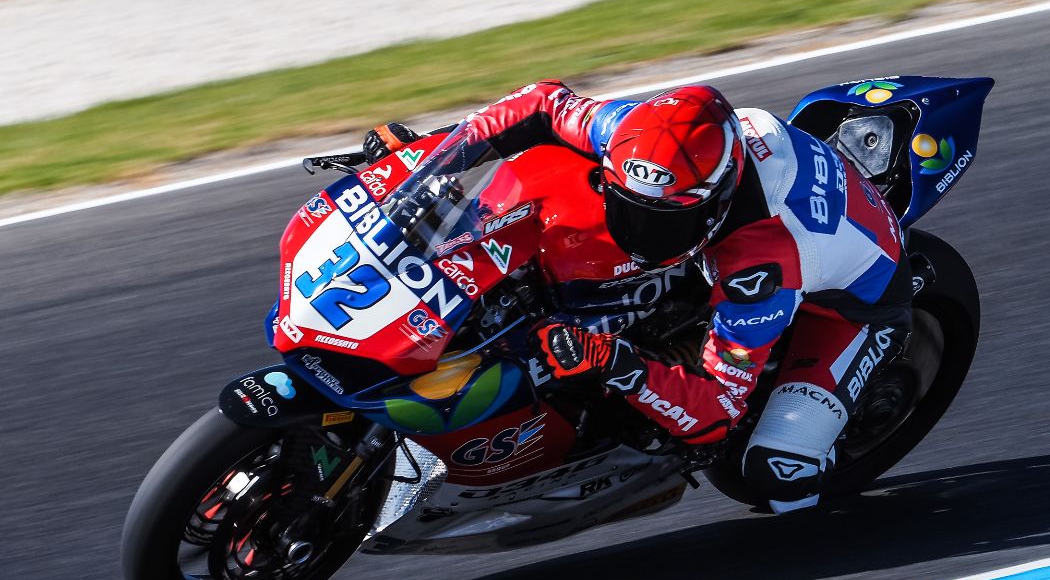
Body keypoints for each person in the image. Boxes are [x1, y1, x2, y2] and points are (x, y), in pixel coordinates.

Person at [363, 81, 912, 513]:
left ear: (715, 199)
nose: (640, 231)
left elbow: (717, 411)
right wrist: (432, 155)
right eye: (630, 204)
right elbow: (539, 104)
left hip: (852, 303)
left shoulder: (761, 264)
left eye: (663, 219)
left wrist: (606, 358)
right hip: (748, 220)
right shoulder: (638, 133)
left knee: (776, 473)